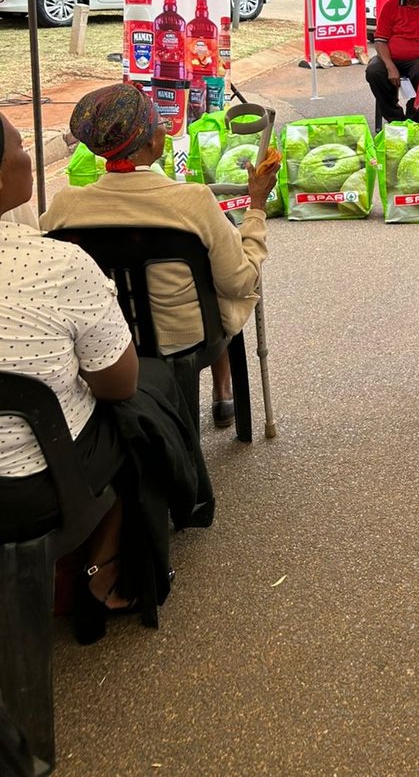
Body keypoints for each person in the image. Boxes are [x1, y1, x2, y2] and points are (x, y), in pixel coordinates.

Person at [0, 113, 210, 644]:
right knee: (136, 410)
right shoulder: (55, 265)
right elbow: (116, 385)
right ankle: (104, 574)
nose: (29, 155)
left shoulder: (65, 209)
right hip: (31, 490)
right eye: (21, 145)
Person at [41, 83, 280, 429]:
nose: (165, 130)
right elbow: (240, 281)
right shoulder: (193, 201)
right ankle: (223, 386)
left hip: (105, 339)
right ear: (153, 142)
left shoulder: (66, 205)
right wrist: (256, 209)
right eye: (159, 124)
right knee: (220, 273)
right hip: (184, 340)